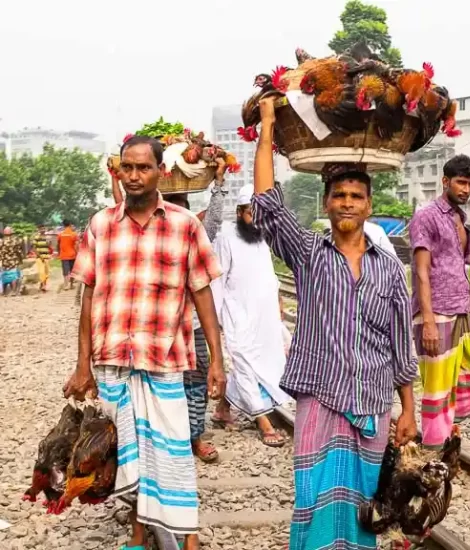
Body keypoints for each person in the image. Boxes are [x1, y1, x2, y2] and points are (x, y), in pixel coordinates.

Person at [252, 97, 418, 550]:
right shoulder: (308, 254)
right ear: (326, 204)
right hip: (321, 396)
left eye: (356, 196)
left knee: (364, 503)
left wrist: (409, 409)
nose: (347, 203)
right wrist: (267, 127)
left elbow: (401, 344)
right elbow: (267, 206)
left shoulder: (388, 268)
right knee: (313, 496)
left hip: (371, 401)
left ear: (368, 205)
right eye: (339, 196)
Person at [64, 135, 226, 550]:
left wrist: (217, 361)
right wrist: (82, 364)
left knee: (172, 454)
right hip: (114, 360)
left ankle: (188, 539)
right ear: (118, 171)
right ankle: (139, 534)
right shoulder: (100, 225)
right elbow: (88, 295)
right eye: (127, 168)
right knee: (129, 456)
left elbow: (202, 293)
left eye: (143, 168)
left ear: (160, 172)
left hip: (165, 359)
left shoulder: (185, 226)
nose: (134, 176)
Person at [112, 164, 228, 464]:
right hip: (155, 330)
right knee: (155, 390)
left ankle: (196, 437)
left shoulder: (194, 229)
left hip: (193, 326)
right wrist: (115, 179)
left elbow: (214, 216)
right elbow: (119, 209)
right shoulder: (140, 230)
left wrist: (218, 182)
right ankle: (160, 449)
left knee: (196, 382)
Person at [409, 154, 470, 449]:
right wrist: (426, 321)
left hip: (462, 311)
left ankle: (449, 416)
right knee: (437, 389)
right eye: (461, 182)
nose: (466, 189)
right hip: (435, 312)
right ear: (445, 181)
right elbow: (421, 271)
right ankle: (432, 452)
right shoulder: (426, 216)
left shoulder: (461, 219)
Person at [211, 182, 290, 447]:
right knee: (244, 362)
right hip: (238, 313)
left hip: (265, 314)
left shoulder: (263, 236)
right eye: (250, 213)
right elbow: (218, 279)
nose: (255, 219)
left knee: (263, 362)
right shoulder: (226, 237)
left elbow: (269, 273)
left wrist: (278, 300)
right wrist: (219, 317)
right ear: (239, 212)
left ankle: (223, 409)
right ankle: (263, 421)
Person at [0, 227, 24, 296]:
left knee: (5, 276)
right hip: (14, 261)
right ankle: (13, 291)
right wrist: (21, 259)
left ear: (4, 233)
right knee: (13, 276)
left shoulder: (1, 241)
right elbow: (19, 251)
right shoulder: (15, 241)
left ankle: (4, 292)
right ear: (11, 233)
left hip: (4, 261)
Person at [57, 220, 79, 290]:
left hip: (64, 255)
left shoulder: (60, 234)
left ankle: (66, 285)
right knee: (72, 271)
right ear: (70, 225)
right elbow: (76, 245)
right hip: (72, 255)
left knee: (66, 271)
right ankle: (72, 285)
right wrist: (78, 253)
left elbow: (58, 245)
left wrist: (59, 252)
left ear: (63, 225)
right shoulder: (74, 234)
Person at [33, 225, 51, 292]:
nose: (43, 230)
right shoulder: (36, 237)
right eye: (41, 229)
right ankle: (44, 285)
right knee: (41, 272)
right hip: (39, 258)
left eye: (44, 228)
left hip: (46, 257)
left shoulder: (47, 237)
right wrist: (40, 256)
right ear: (39, 229)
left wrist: (49, 243)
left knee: (46, 272)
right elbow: (34, 248)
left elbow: (49, 247)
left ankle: (42, 284)